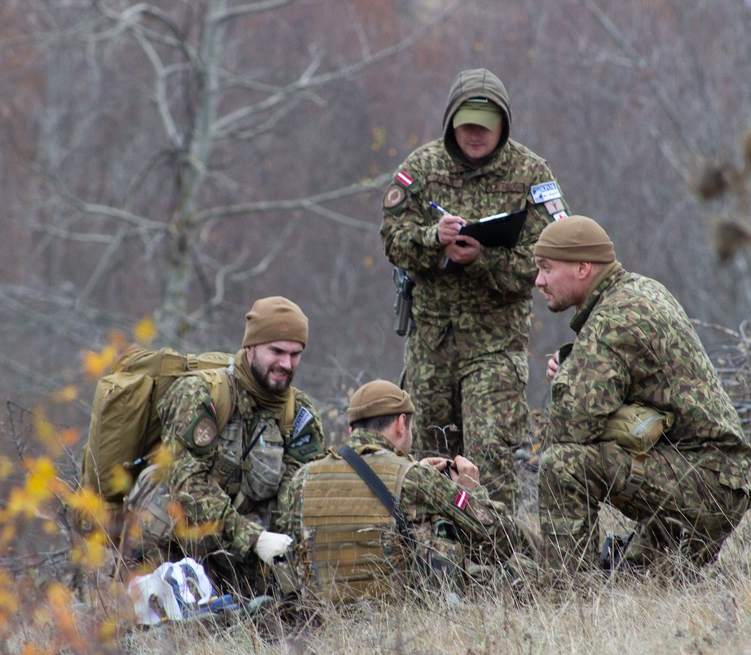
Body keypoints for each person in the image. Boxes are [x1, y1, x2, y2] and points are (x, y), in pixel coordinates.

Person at [380, 67, 571, 506]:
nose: (475, 135)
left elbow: (553, 258)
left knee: (489, 460)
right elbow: (392, 240)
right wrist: (436, 240)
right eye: (466, 126)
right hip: (431, 342)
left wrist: (483, 259)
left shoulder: (531, 174)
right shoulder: (422, 168)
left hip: (495, 344)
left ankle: (495, 562)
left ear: (503, 124)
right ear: (451, 122)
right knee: (427, 459)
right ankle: (433, 561)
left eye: (485, 127)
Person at [531, 215, 751, 575]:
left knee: (562, 463)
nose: (538, 281)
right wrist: (577, 365)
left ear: (583, 267)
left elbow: (569, 427)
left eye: (546, 268)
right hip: (715, 478)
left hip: (705, 485)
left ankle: (567, 594)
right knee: (639, 580)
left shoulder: (612, 319)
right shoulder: (639, 289)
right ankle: (656, 557)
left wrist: (570, 377)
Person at [122, 296, 326, 598]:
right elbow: (188, 486)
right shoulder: (202, 394)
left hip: (243, 554)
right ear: (250, 348)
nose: (286, 363)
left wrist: (286, 554)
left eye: (295, 354)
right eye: (276, 351)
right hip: (178, 545)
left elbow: (300, 494)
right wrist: (254, 539)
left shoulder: (299, 414)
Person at [275, 380, 542, 604]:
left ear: (351, 429)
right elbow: (503, 541)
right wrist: (473, 489)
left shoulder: (303, 479)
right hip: (394, 617)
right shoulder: (415, 478)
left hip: (323, 618)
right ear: (401, 424)